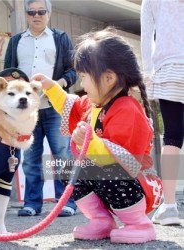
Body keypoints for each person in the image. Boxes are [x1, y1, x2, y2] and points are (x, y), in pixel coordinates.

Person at [33, 27, 162, 244]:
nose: (81, 84)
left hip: (137, 185)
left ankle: (139, 224)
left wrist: (90, 143)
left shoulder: (128, 109)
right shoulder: (94, 104)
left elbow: (125, 162)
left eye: (84, 77)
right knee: (66, 169)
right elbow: (68, 104)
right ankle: (101, 221)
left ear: (109, 78)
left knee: (109, 172)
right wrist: (50, 87)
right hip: (109, 180)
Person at [4, 0, 78, 217]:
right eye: (31, 12)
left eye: (41, 11)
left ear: (49, 13)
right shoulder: (16, 41)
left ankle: (66, 202)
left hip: (55, 106)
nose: (36, 15)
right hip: (28, 111)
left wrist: (58, 85)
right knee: (31, 158)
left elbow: (72, 70)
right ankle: (32, 204)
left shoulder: (60, 38)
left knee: (63, 154)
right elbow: (8, 74)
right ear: (26, 15)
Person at [141, 0, 184, 226]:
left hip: (170, 70)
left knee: (173, 137)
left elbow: (146, 37)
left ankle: (169, 207)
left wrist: (148, 75)